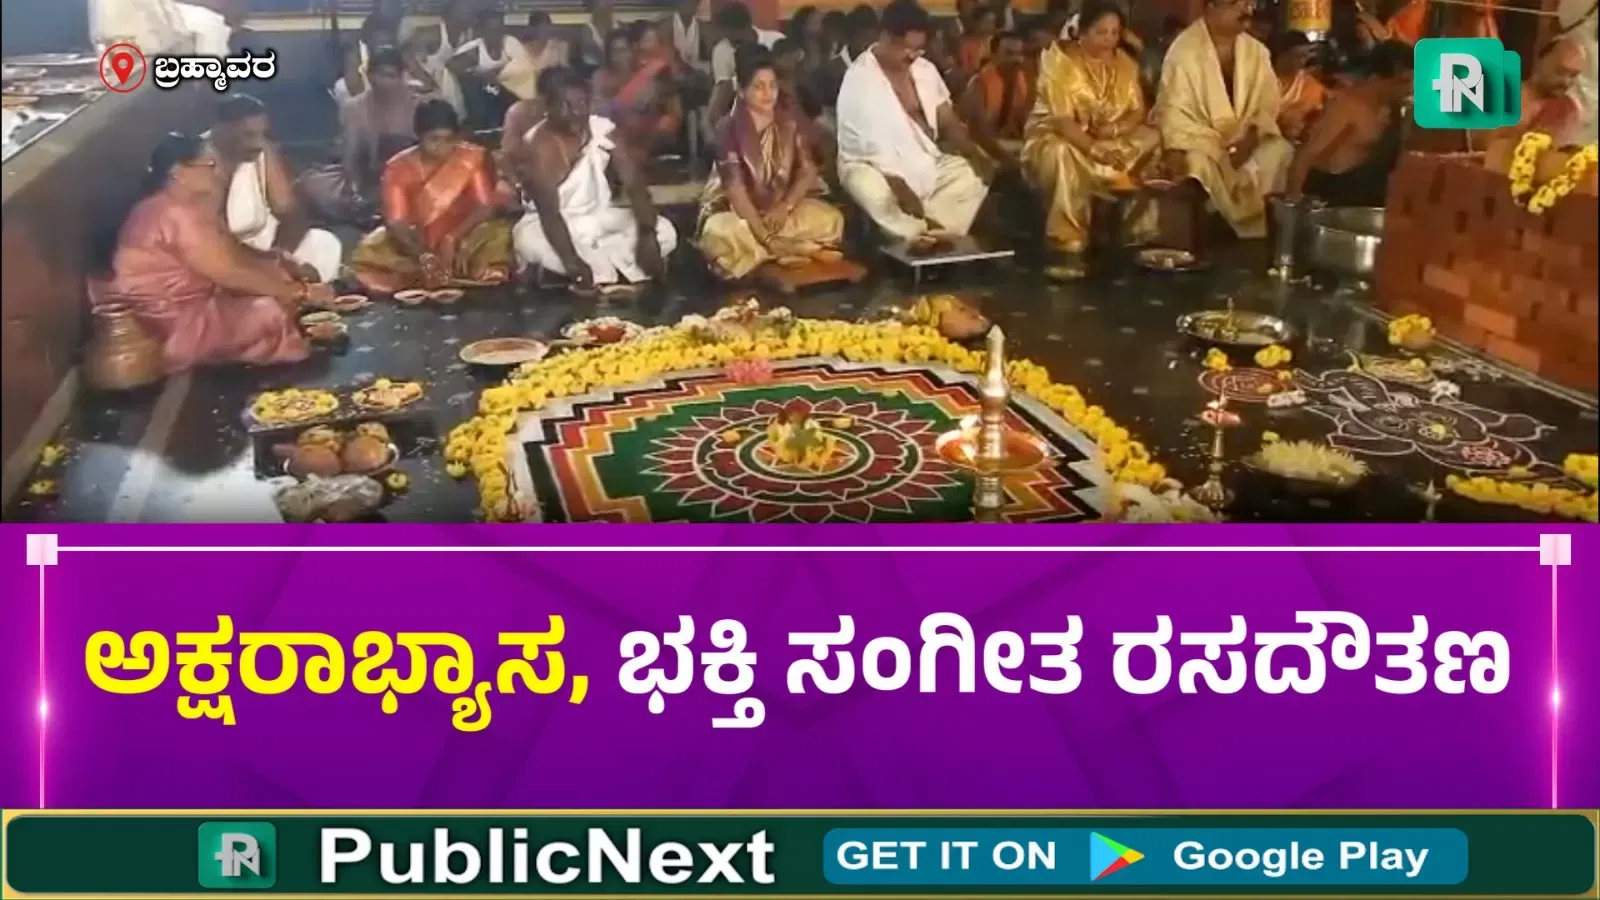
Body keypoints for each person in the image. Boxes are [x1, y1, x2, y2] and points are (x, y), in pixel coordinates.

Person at [90, 134, 323, 374]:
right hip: (168, 328)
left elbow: (232, 254)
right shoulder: (174, 213)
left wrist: (277, 264)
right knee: (269, 310)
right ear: (178, 172)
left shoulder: (174, 206)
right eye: (210, 165)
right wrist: (300, 292)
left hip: (180, 313)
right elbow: (230, 273)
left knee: (276, 284)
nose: (217, 172)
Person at [836, 0, 997, 242]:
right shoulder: (859, 79)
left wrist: (975, 153)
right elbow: (866, 146)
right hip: (871, 166)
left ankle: (927, 232)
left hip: (922, 159)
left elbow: (947, 121)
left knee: (968, 173)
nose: (912, 56)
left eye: (919, 49)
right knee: (873, 191)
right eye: (906, 48)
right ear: (885, 37)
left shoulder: (925, 70)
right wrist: (898, 184)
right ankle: (922, 233)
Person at [1023, 0, 1160, 276]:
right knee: (1063, 153)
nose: (1109, 39)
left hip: (1109, 139)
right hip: (1056, 137)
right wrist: (1096, 149)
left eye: (1114, 32)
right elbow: (1062, 122)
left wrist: (1115, 130)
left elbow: (1137, 111)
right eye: (1101, 32)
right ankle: (1067, 237)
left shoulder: (1126, 64)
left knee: (1153, 136)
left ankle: (1134, 228)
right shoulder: (1060, 62)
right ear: (1082, 32)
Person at [512, 67, 677, 292]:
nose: (576, 112)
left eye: (582, 103)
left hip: (598, 216)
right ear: (547, 107)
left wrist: (648, 236)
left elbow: (634, 184)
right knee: (528, 242)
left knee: (665, 230)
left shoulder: (602, 129)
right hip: (551, 225)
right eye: (566, 105)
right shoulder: (536, 146)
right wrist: (572, 262)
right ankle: (613, 266)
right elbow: (550, 215)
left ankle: (600, 267)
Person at [699, 46, 845, 279]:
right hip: (735, 213)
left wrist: (785, 206)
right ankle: (789, 248)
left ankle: (764, 253)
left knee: (831, 220)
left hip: (777, 211)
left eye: (772, 86)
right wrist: (766, 236)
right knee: (722, 234)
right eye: (759, 87)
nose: (768, 93)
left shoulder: (788, 121)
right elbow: (736, 192)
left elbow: (808, 171)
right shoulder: (727, 129)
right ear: (742, 90)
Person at [1157, 0, 1293, 239]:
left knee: (1279, 150)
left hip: (1248, 140)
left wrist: (1251, 137)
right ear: (1211, 7)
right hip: (1204, 144)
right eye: (1235, 4)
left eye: (1247, 3)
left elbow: (1268, 103)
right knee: (1196, 163)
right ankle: (1220, 225)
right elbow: (1174, 112)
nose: (1245, 10)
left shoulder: (1257, 51)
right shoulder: (1183, 53)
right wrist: (1215, 147)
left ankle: (1257, 229)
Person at [350, 100, 513, 293]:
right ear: (418, 136)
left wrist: (453, 238)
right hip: (414, 242)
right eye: (434, 140)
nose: (442, 147)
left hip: (464, 235)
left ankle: (466, 273)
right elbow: (396, 223)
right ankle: (427, 273)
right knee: (370, 249)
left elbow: (484, 207)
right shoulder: (398, 167)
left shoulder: (470, 158)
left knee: (498, 234)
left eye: (449, 140)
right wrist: (422, 254)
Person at [209, 95, 344, 286]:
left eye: (262, 134)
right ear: (221, 132)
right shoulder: (198, 161)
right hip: (218, 255)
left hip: (265, 247)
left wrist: (280, 257)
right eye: (249, 135)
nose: (258, 143)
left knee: (324, 243)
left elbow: (290, 212)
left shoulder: (261, 151)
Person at [303, 47, 422, 225]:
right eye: (379, 75)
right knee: (311, 187)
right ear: (369, 75)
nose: (384, 82)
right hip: (367, 177)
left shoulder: (418, 105)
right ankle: (371, 208)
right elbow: (351, 155)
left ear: (402, 77)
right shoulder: (353, 107)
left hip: (410, 176)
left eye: (391, 76)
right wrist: (354, 189)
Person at [1285, 40, 1412, 206]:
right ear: (1376, 78)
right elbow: (1305, 156)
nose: (1410, 89)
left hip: (1373, 202)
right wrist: (1294, 202)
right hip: (1334, 200)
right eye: (1403, 82)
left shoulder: (1394, 111)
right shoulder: (1345, 106)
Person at [592, 25, 686, 151]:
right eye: (615, 51)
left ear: (633, 51)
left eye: (624, 50)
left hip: (646, 137)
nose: (620, 56)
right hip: (613, 136)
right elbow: (596, 110)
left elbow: (667, 108)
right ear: (609, 55)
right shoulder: (601, 77)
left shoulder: (649, 74)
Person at [961, 31, 1033, 153]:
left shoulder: (1025, 81)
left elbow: (1028, 126)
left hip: (1011, 147)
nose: (1017, 59)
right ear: (994, 55)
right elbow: (978, 134)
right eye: (1009, 53)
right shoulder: (978, 84)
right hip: (979, 149)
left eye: (1020, 53)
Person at [499, 12, 570, 103]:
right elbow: (505, 75)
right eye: (540, 28)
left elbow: (565, 74)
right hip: (520, 97)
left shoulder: (559, 47)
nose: (544, 31)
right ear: (531, 29)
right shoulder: (518, 48)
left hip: (549, 95)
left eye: (546, 27)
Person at [712, 2, 785, 85]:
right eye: (729, 40)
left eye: (738, 41)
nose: (733, 46)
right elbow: (723, 86)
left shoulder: (776, 40)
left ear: (749, 26)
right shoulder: (721, 51)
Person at [1275, 32, 1329, 142]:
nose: (1302, 61)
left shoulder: (1311, 87)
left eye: (1305, 56)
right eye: (1297, 56)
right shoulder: (1261, 78)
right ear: (1281, 56)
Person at [957, 6, 1001, 75]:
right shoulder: (967, 45)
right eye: (987, 22)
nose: (991, 25)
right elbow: (965, 69)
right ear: (977, 23)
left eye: (993, 22)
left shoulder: (999, 42)